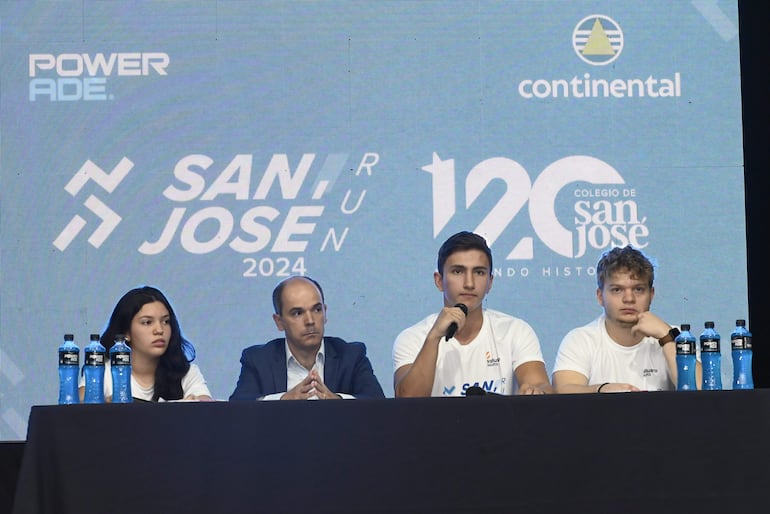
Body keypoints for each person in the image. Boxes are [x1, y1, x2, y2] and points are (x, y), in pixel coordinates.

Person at [393, 231, 552, 397]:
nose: (469, 283)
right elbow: (407, 402)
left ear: (490, 282)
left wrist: (536, 391)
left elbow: (540, 385)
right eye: (457, 272)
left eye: (479, 272)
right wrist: (433, 338)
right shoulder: (412, 338)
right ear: (439, 281)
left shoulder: (515, 331)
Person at [552, 245, 701, 393]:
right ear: (600, 296)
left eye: (638, 289)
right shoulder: (580, 339)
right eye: (617, 290)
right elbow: (563, 391)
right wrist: (602, 390)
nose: (629, 298)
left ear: (651, 294)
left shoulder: (678, 337)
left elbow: (703, 395)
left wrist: (666, 336)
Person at [229, 275, 385, 400]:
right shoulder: (258, 359)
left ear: (325, 313)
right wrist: (283, 401)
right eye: (297, 313)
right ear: (279, 322)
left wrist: (338, 402)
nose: (310, 321)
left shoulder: (351, 355)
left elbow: (377, 404)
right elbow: (238, 406)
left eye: (317, 310)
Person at [78, 286, 213, 402]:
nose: (159, 330)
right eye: (147, 322)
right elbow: (79, 407)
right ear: (126, 333)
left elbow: (207, 409)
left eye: (165, 321)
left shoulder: (186, 372)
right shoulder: (105, 371)